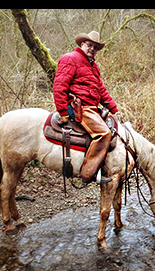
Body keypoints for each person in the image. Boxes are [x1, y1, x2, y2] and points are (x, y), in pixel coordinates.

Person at [53, 31, 119, 184]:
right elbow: (59, 86)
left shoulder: (93, 66)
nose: (92, 49)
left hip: (91, 107)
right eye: (89, 45)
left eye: (95, 47)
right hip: (80, 107)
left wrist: (114, 109)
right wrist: (63, 111)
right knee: (103, 133)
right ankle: (87, 174)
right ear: (81, 44)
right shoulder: (70, 59)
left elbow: (101, 90)